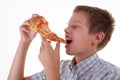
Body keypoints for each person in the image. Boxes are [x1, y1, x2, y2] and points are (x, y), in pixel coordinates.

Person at [8, 5, 120, 80]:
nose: (66, 30)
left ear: (97, 38)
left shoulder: (112, 75)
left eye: (75, 26)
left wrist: (52, 70)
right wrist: (25, 41)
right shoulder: (62, 67)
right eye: (68, 25)